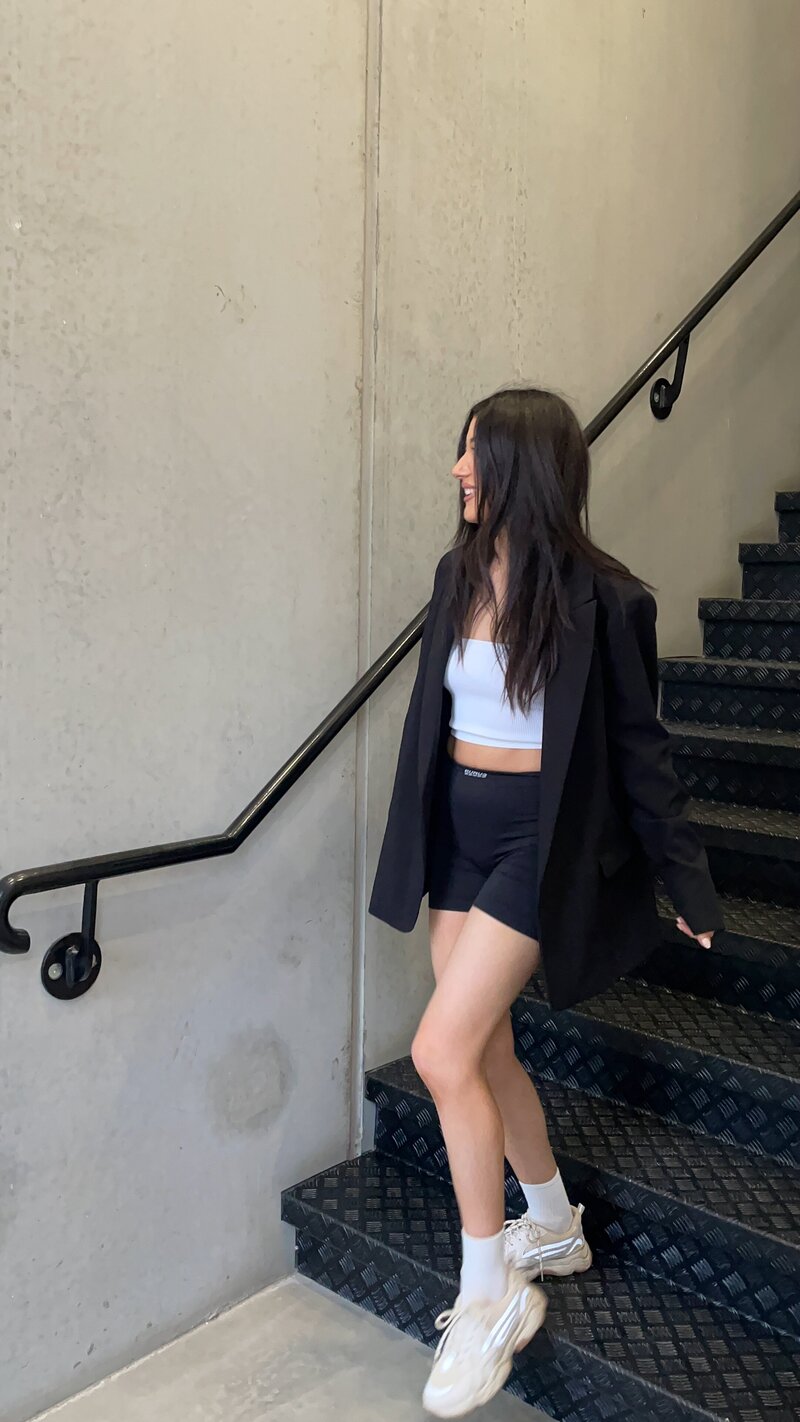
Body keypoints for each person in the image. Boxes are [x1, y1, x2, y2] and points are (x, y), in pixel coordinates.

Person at [368, 387, 725, 1419]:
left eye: (471, 455)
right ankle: (552, 1224)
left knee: (437, 1054)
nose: (455, 472)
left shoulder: (605, 601)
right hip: (461, 836)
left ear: (524, 465)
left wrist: (682, 877)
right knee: (481, 1053)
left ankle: (490, 1299)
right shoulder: (455, 574)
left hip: (539, 841)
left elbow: (638, 755)